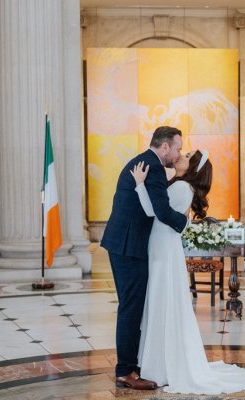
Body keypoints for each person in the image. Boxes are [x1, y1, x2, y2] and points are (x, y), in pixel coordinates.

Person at [131, 149, 245, 394]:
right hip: (162, 246)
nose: (181, 155)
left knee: (161, 301)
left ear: (194, 168)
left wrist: (139, 185)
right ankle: (158, 362)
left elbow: (153, 212)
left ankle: (159, 367)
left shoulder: (180, 189)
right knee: (161, 302)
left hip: (162, 248)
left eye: (186, 155)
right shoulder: (179, 186)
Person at [101, 126, 189, 390]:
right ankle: (126, 371)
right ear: (164, 147)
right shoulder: (153, 168)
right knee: (131, 307)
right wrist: (185, 222)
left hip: (125, 243)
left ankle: (134, 364)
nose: (178, 153)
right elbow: (160, 211)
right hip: (129, 246)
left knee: (133, 306)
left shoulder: (146, 162)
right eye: (177, 148)